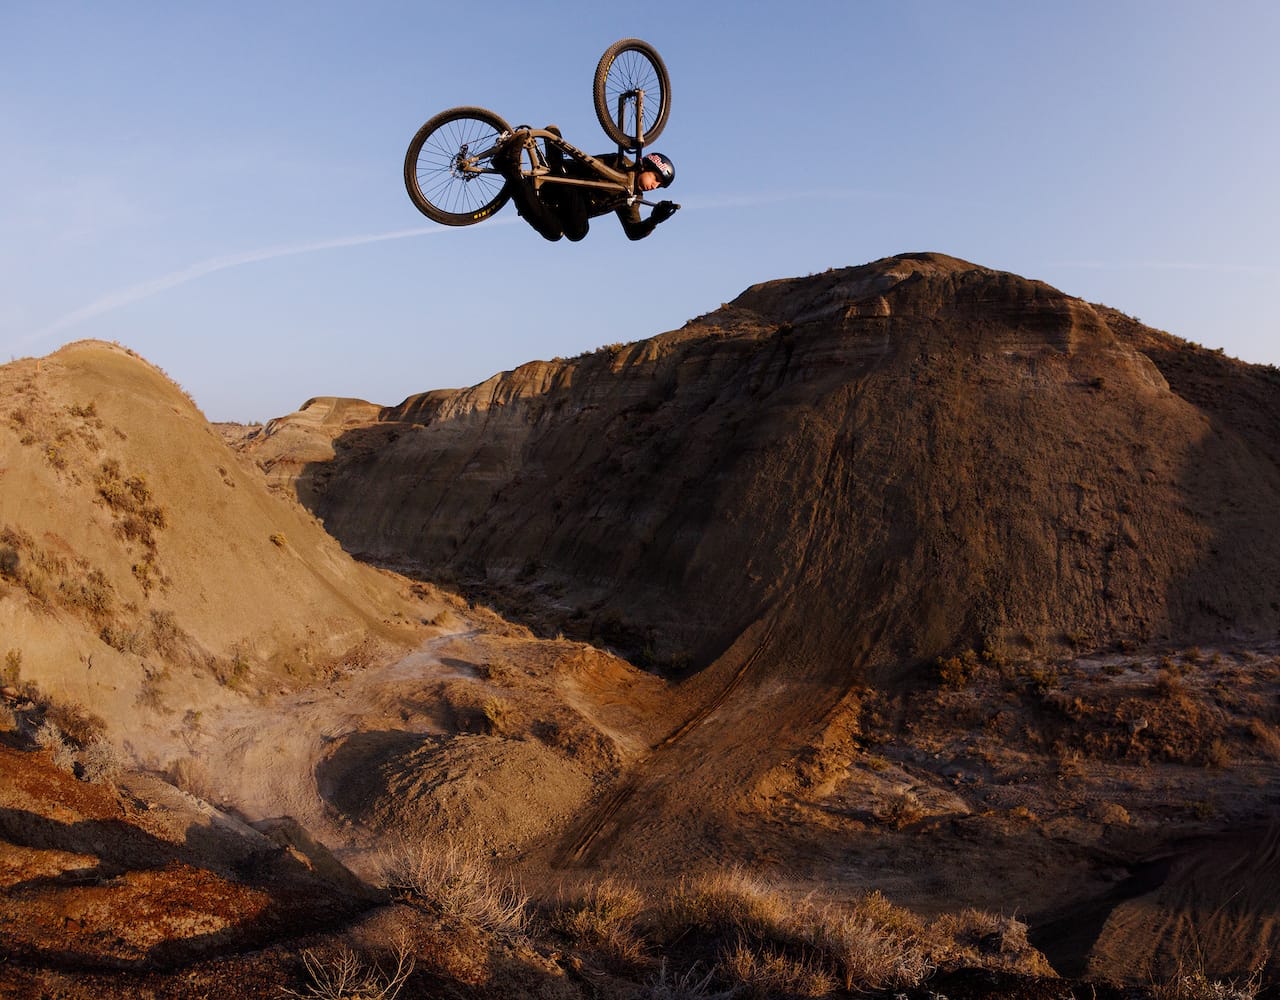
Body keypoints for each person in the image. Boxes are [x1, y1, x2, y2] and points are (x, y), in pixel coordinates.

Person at [495, 128, 678, 242]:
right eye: (655, 178)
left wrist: (655, 220)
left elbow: (633, 231)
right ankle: (554, 151)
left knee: (555, 233)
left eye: (659, 185)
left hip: (564, 206)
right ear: (647, 166)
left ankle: (512, 174)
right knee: (579, 231)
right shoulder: (620, 163)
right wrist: (558, 149)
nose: (654, 185)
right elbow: (587, 162)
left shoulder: (633, 198)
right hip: (569, 181)